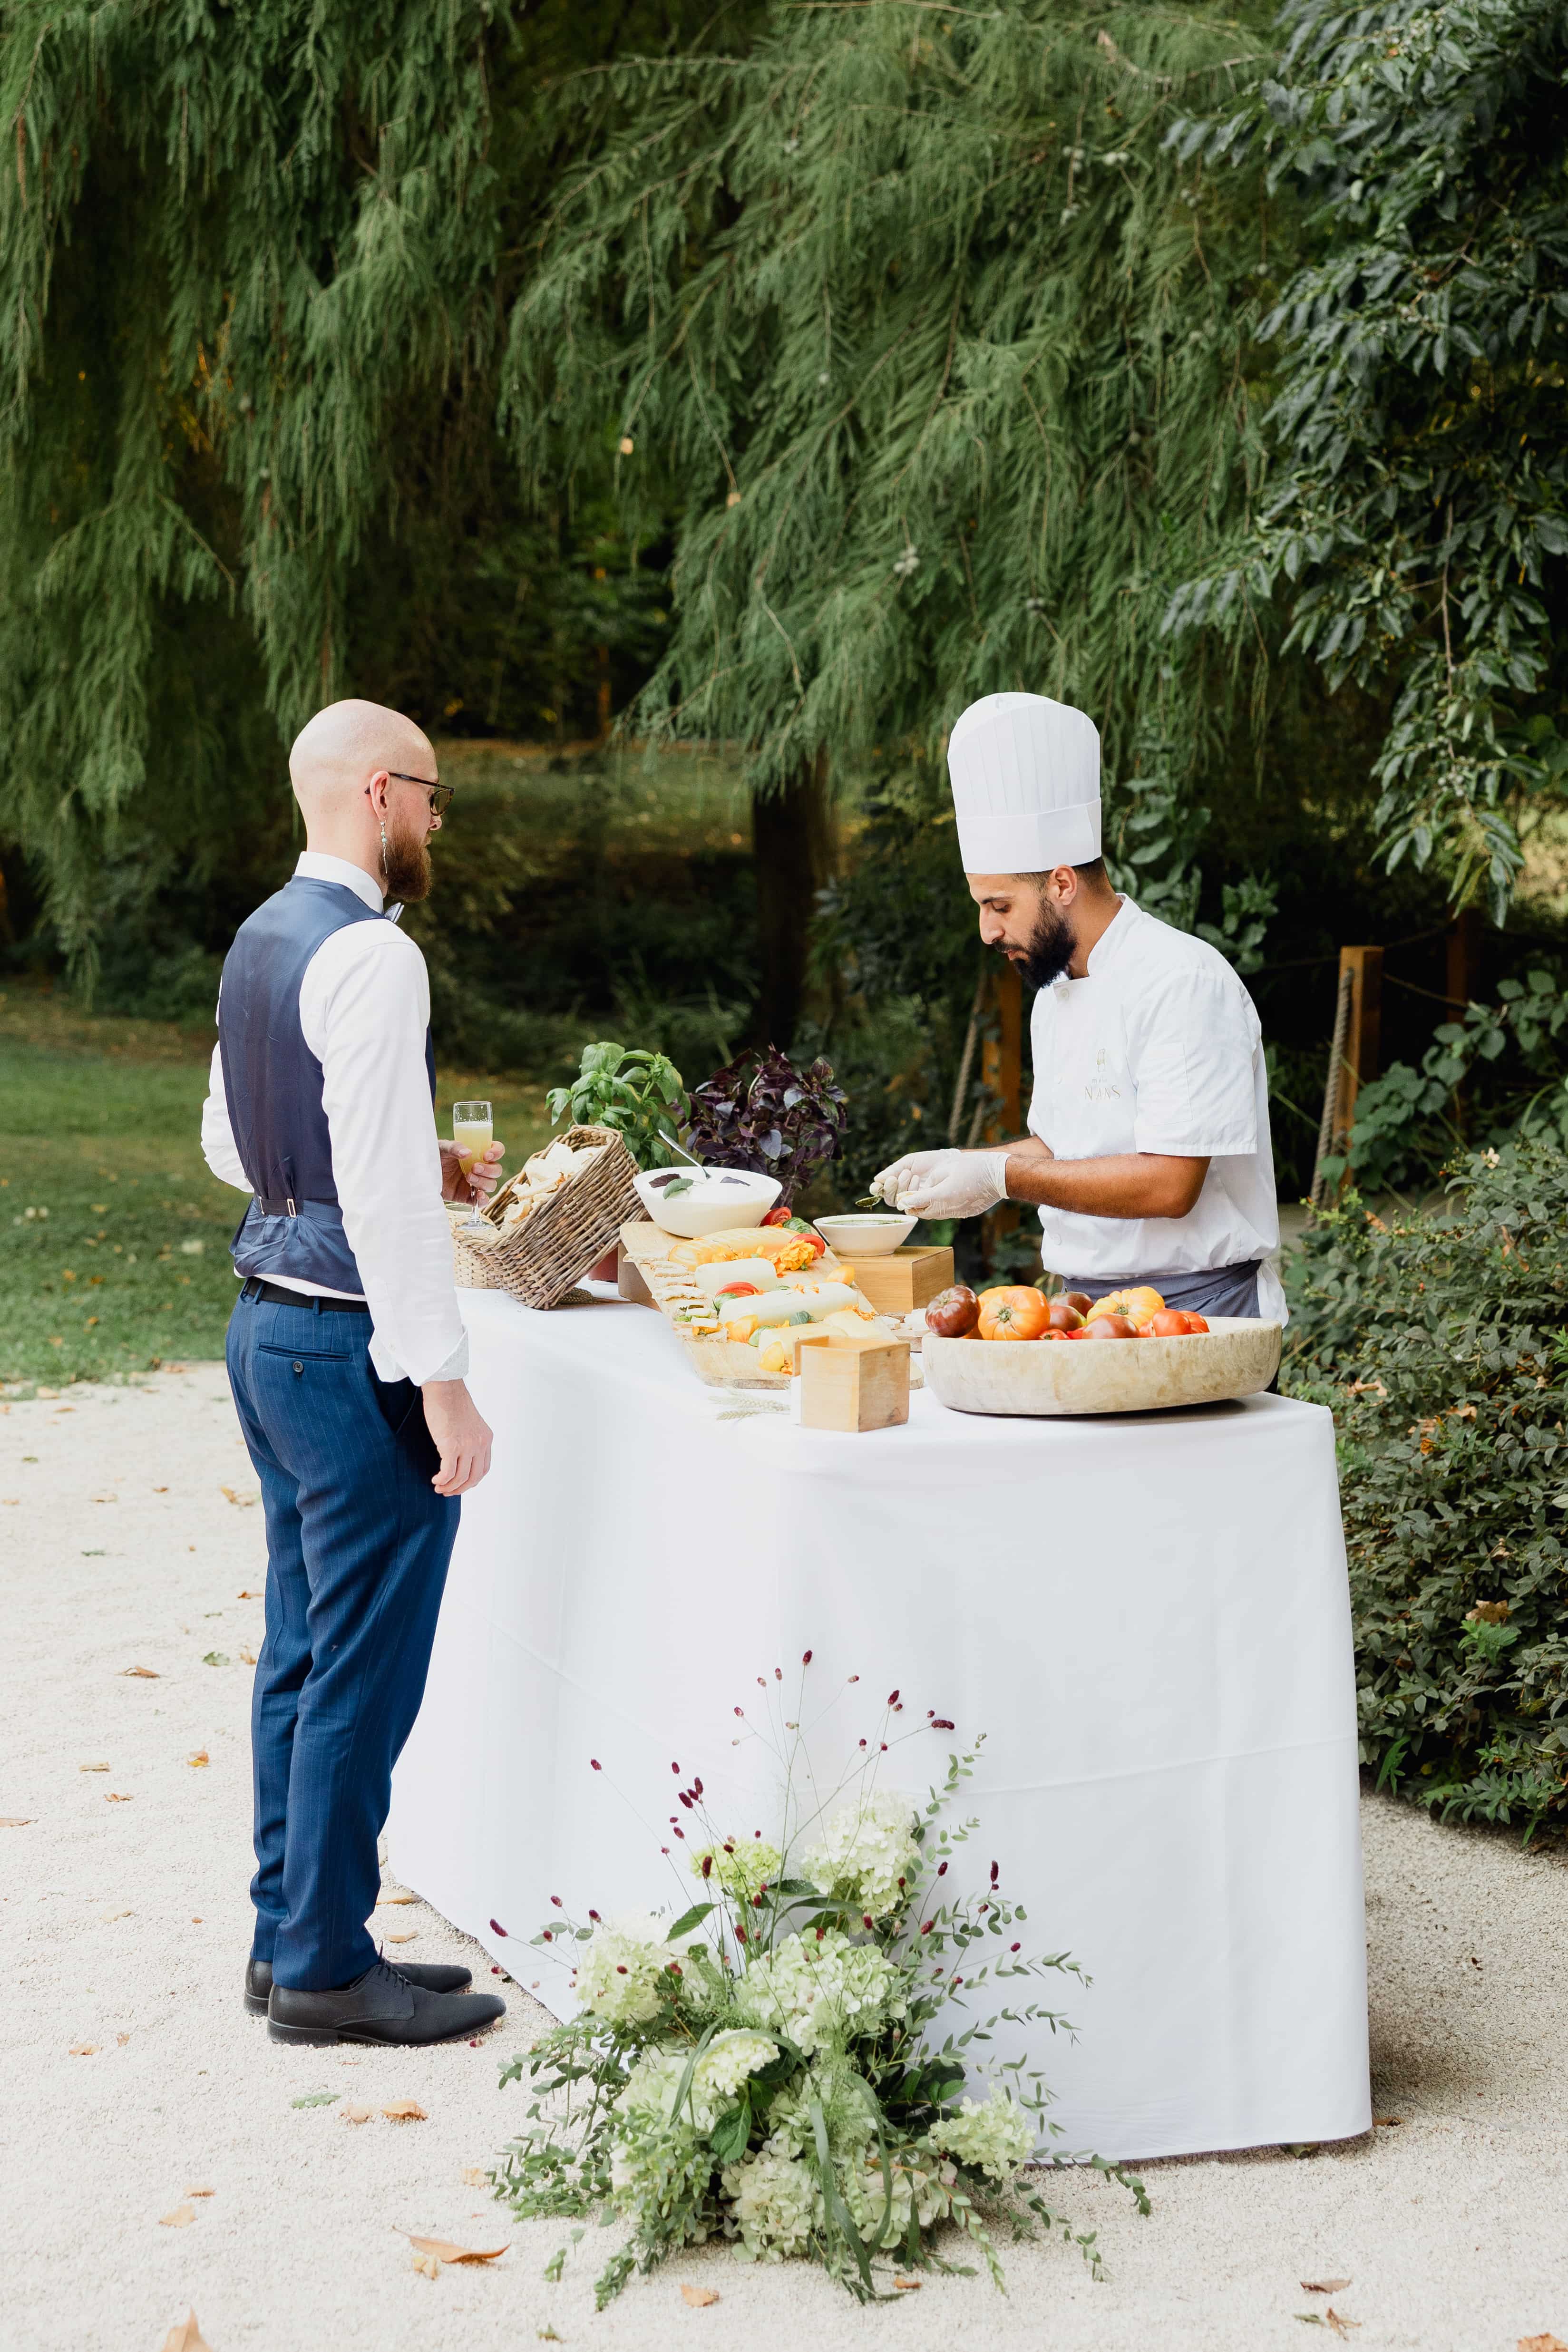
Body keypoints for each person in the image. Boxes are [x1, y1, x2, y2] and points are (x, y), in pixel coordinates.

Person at [201, 698, 510, 2048]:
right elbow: (382, 1205)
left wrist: (384, 1161)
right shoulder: (377, 957)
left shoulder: (264, 935)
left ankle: (292, 1940)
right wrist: (442, 1381)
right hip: (346, 1348)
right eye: (434, 796)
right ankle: (327, 1968)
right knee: (360, 1669)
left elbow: (234, 1143)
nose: (440, 821)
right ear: (382, 794)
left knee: (301, 1650)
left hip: (262, 1330)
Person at [872, 691, 1284, 1324]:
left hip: (1201, 1310)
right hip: (1080, 1309)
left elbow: (1169, 1185)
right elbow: (1064, 1146)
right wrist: (967, 1166)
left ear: (1061, 883)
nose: (985, 931)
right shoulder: (1054, 990)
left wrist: (1002, 1178)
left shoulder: (1183, 981)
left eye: (999, 905)